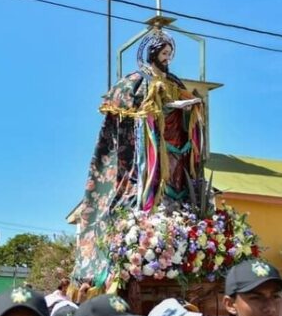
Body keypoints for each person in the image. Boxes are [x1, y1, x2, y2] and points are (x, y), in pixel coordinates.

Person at [74, 29, 206, 286]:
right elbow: (131, 108)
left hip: (174, 147)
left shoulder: (175, 81)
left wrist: (190, 106)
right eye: (163, 53)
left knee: (177, 184)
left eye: (170, 54)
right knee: (149, 181)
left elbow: (186, 103)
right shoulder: (138, 79)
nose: (167, 58)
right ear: (153, 53)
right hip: (147, 149)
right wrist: (159, 107)